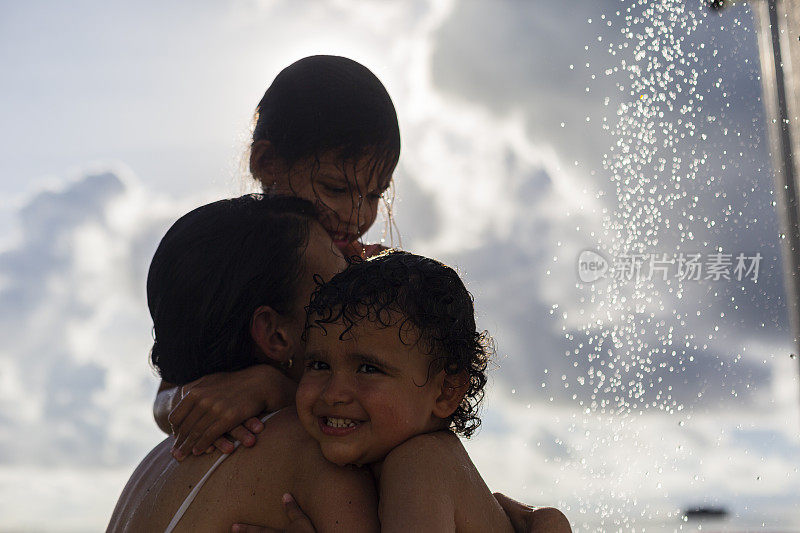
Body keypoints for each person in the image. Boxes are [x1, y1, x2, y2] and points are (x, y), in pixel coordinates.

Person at [153, 55, 402, 460]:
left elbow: (404, 398)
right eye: (335, 187)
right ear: (266, 163)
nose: (358, 216)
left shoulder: (371, 279)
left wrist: (270, 389)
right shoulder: (230, 262)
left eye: (374, 195)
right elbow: (170, 398)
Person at [107, 195, 380, 532]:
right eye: (337, 290)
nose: (358, 297)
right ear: (275, 335)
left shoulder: (155, 466)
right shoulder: (316, 450)